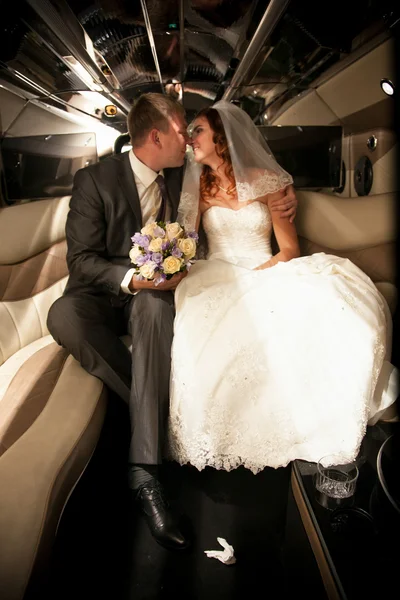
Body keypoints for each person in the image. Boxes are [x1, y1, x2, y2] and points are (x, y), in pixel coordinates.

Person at [46, 93, 298, 550]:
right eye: (183, 131)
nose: (188, 141)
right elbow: (81, 261)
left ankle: (144, 474)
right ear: (157, 135)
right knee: (62, 315)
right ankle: (160, 408)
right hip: (107, 289)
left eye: (193, 133)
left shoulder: (189, 171)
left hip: (157, 292)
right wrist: (132, 280)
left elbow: (241, 174)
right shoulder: (94, 180)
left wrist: (282, 191)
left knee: (155, 308)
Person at [167, 100, 398, 474]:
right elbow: (188, 247)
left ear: (221, 138)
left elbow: (289, 249)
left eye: (198, 131)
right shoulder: (199, 191)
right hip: (217, 273)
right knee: (205, 321)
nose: (192, 139)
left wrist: (258, 274)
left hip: (268, 267)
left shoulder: (269, 181)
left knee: (320, 308)